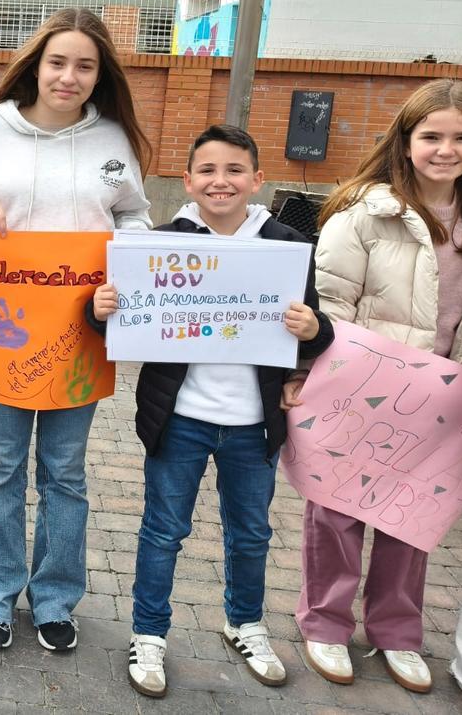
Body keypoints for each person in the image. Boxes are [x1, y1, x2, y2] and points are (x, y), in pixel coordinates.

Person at [89, 124, 334, 697]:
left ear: (256, 179)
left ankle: (244, 622)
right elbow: (119, 323)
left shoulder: (285, 245)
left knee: (251, 534)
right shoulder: (160, 243)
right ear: (188, 181)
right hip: (180, 421)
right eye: (207, 171)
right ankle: (149, 633)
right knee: (163, 531)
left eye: (233, 171)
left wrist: (314, 328)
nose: (220, 182)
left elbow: (317, 334)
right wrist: (99, 310)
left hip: (254, 426)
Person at [0, 7, 152, 651]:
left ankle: (56, 598)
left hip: (83, 333)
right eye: (58, 62)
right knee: (0, 466)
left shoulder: (113, 140)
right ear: (36, 64)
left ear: (99, 73)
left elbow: (138, 219)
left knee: (65, 472)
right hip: (1, 330)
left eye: (85, 65)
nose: (70, 76)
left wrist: (123, 254)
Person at [297, 78, 462, 693]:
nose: (446, 149)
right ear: (406, 140)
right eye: (432, 136)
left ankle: (397, 630)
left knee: (410, 520)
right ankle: (325, 622)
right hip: (362, 389)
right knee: (337, 515)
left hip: (444, 399)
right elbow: (331, 302)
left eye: (460, 137)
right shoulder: (365, 211)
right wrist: (306, 376)